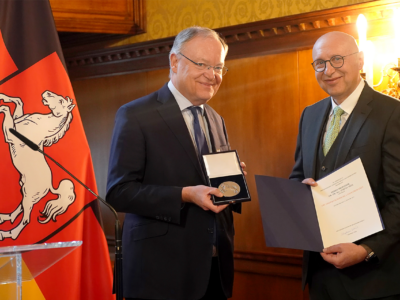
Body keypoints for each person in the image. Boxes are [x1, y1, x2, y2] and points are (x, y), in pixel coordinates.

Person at [106, 26, 243, 300]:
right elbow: (119, 193)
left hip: (214, 271)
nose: (212, 75)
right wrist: (185, 195)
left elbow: (212, 186)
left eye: (218, 67)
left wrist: (233, 181)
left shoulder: (215, 119)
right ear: (174, 61)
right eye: (202, 64)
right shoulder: (135, 114)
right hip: (159, 275)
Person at [290, 31, 400, 300]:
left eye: (337, 59)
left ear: (360, 61)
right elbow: (296, 177)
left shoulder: (393, 113)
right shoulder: (310, 114)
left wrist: (367, 250)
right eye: (320, 63)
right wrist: (300, 192)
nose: (328, 70)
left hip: (373, 281)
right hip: (319, 276)